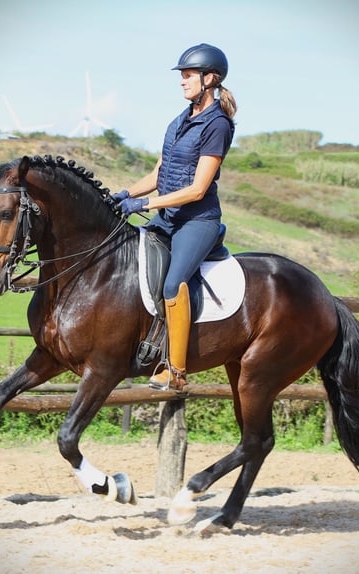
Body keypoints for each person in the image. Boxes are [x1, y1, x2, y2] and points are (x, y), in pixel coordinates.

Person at [111, 43, 237, 391]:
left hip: (197, 221)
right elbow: (159, 173)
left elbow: (198, 189)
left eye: (188, 75)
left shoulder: (218, 126)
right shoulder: (179, 121)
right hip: (167, 219)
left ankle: (176, 370)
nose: (182, 81)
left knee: (172, 283)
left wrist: (146, 206)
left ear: (209, 78)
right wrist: (125, 193)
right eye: (181, 75)